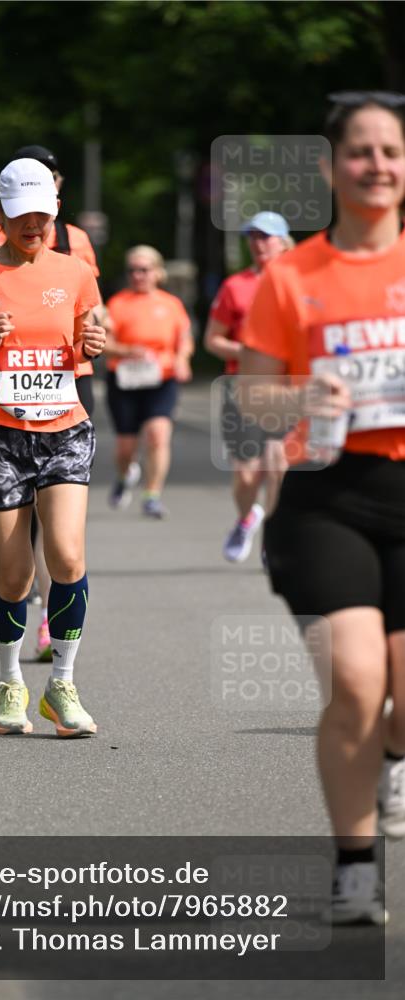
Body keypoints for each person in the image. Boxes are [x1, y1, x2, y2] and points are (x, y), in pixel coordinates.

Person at [238, 91, 405, 924]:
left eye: (390, 152)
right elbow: (252, 401)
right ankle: (353, 865)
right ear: (330, 166)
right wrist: (303, 389)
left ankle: (389, 756)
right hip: (327, 496)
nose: (376, 166)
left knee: (402, 700)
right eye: (360, 152)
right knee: (353, 680)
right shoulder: (290, 274)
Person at [0, 157, 105, 737]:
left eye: (43, 213)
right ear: (2, 214)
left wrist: (96, 341)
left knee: (67, 557)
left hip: (63, 424)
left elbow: (91, 333)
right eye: (22, 214)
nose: (34, 224)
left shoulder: (76, 270)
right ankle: (11, 680)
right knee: (14, 579)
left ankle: (62, 682)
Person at [204, 211, 293, 562]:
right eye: (252, 237)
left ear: (283, 242)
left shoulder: (299, 282)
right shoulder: (235, 286)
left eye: (265, 237)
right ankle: (246, 518)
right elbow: (212, 340)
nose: (258, 244)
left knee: (278, 462)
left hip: (286, 388)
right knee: (245, 473)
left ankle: (273, 536)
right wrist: (248, 352)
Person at [104, 245, 193, 518]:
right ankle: (124, 475)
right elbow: (104, 343)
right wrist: (126, 351)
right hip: (125, 380)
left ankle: (152, 495)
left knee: (158, 435)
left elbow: (184, 339)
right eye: (132, 270)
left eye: (143, 270)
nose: (138, 275)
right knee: (125, 447)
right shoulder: (117, 303)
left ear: (157, 272)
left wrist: (182, 360)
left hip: (160, 379)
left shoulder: (170, 304)